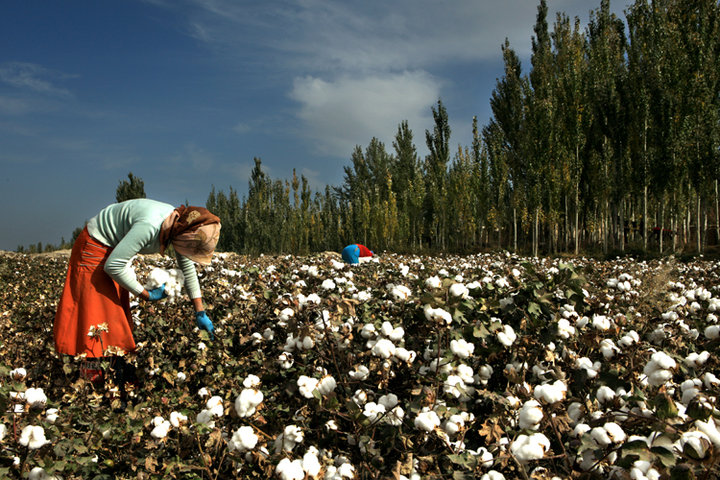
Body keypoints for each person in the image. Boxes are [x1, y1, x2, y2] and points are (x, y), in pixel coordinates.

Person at [53, 198, 221, 385]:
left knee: (113, 316)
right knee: (95, 315)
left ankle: (109, 373)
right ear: (185, 235)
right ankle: (91, 381)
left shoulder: (179, 225)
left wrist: (200, 311)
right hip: (93, 247)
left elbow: (188, 269)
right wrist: (146, 295)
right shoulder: (150, 226)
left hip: (113, 250)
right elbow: (114, 266)